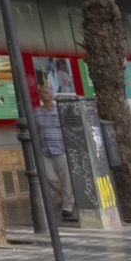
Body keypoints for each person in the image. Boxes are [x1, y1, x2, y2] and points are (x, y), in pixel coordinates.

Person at [29, 84, 80, 223]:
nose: (43, 94)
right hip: (45, 151)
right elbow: (35, 129)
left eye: (46, 92)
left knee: (66, 181)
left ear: (51, 95)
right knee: (51, 179)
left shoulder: (59, 110)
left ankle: (67, 207)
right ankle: (63, 201)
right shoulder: (37, 112)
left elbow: (70, 127)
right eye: (41, 92)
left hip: (61, 150)